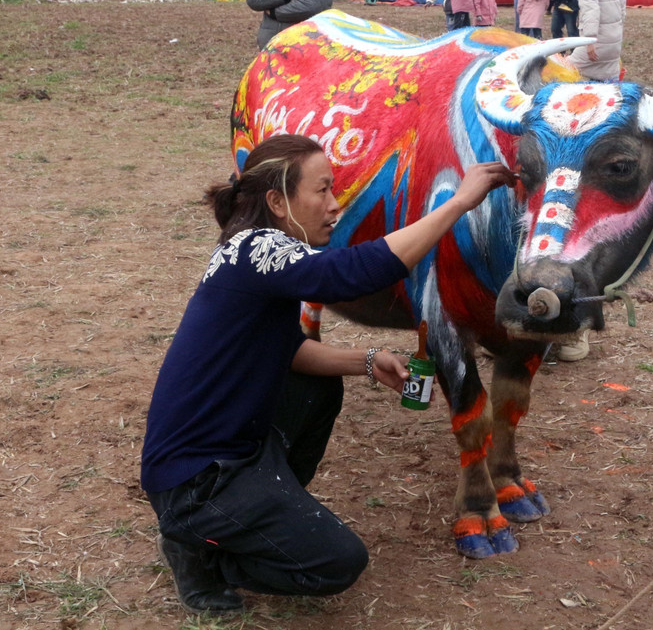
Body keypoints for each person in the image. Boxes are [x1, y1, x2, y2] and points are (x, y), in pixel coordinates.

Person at [142, 135, 514, 613]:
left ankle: (253, 514)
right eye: (322, 190)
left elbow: (291, 351)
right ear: (277, 201)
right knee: (336, 564)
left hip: (228, 455)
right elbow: (354, 273)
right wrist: (458, 203)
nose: (335, 206)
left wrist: (367, 360)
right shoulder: (258, 250)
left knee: (316, 383)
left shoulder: (251, 251)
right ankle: (203, 552)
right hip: (194, 481)